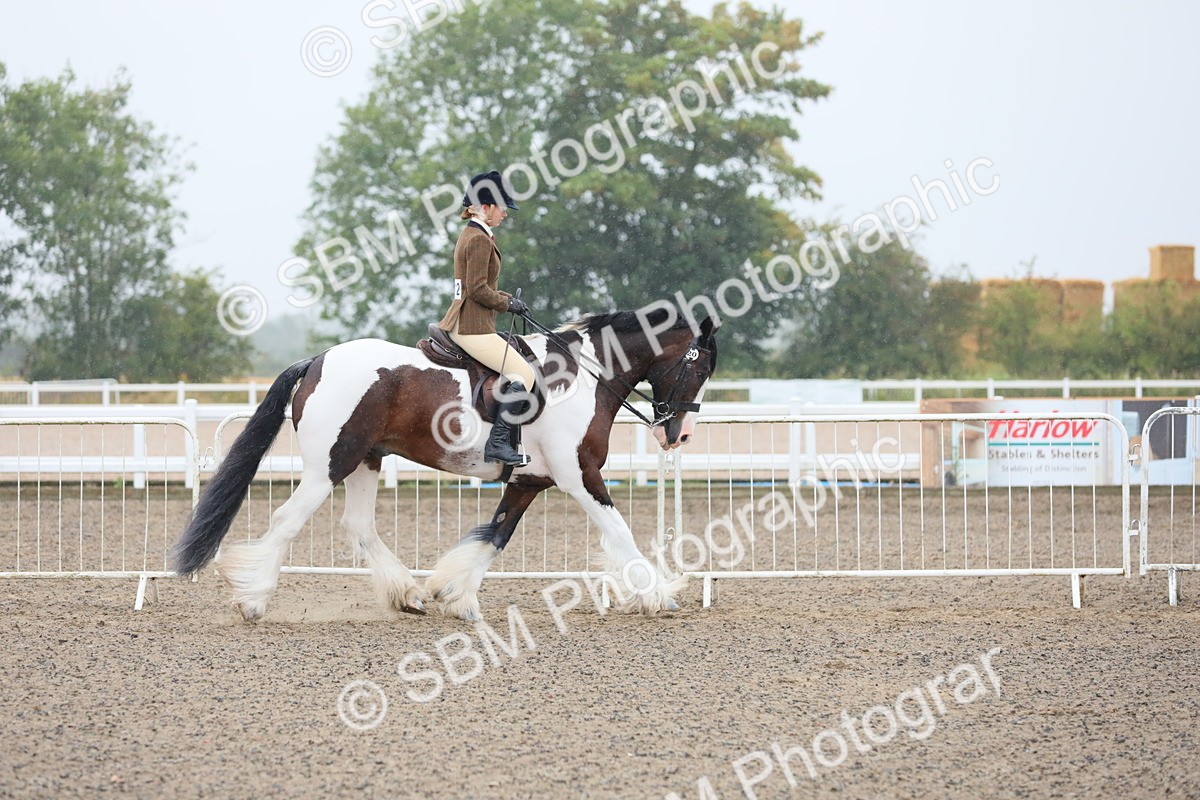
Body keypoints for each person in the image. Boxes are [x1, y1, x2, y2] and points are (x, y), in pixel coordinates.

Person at [436, 170, 535, 466]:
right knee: (524, 375)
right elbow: (477, 289)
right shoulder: (478, 239)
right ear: (486, 206)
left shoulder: (472, 233)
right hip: (472, 328)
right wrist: (507, 305)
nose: (505, 213)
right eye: (502, 206)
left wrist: (509, 300)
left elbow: (482, 287)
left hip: (467, 321)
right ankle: (498, 444)